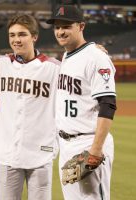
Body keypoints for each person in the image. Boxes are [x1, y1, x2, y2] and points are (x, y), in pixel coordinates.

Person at [46, 5, 116, 200]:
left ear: (81, 26)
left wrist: (95, 149)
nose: (60, 31)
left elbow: (108, 104)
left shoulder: (96, 57)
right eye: (57, 27)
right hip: (67, 145)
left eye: (66, 26)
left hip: (89, 143)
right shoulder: (67, 55)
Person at [0, 14, 60, 200]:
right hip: (8, 154)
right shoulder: (0, 64)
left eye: (22, 34)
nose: (16, 40)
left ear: (34, 37)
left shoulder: (54, 68)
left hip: (41, 154)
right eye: (12, 35)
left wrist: (93, 50)